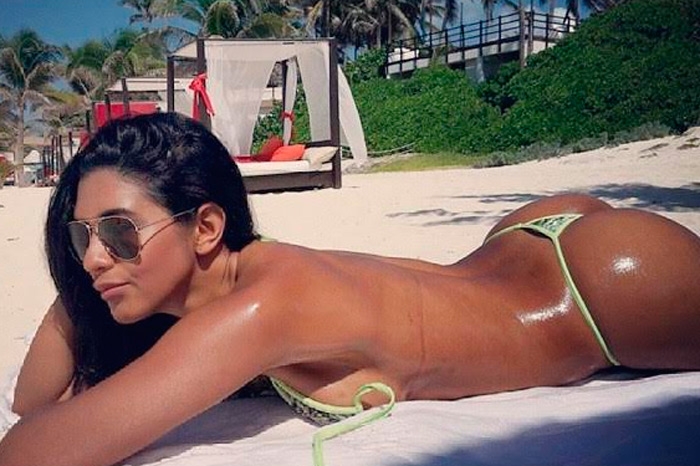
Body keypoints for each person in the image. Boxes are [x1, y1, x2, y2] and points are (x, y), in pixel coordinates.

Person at [1, 112, 699, 466]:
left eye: (120, 232)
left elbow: (28, 451)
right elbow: (31, 404)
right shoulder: (252, 280)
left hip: (603, 290)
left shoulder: (259, 310)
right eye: (81, 236)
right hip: (515, 246)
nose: (96, 257)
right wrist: (89, 272)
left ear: (206, 227)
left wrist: (92, 274)